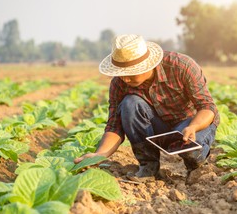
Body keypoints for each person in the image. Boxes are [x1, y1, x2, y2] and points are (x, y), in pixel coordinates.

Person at [74, 34, 219, 181]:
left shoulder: (182, 66)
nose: (124, 78)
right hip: (157, 127)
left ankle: (195, 167)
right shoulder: (119, 84)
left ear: (147, 64)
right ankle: (148, 167)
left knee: (191, 149)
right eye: (120, 73)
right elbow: (114, 126)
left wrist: (193, 127)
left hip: (191, 124)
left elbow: (207, 107)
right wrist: (100, 155)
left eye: (130, 72)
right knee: (130, 103)